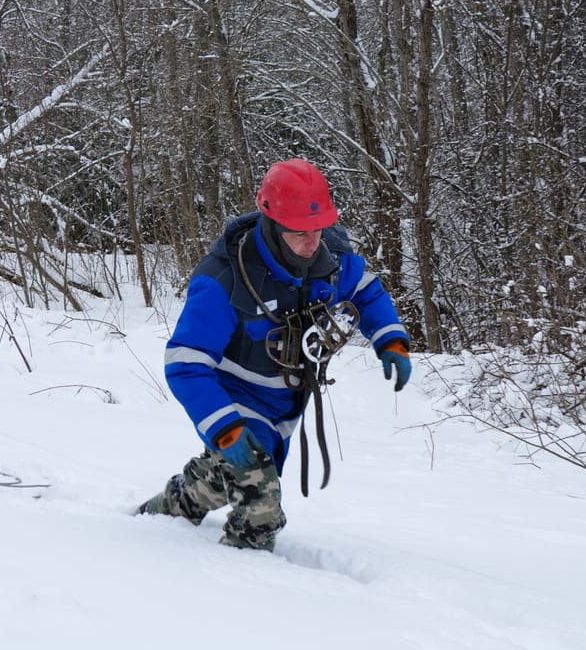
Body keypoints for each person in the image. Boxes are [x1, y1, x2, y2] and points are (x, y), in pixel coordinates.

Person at [136, 158, 413, 551]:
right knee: (259, 496)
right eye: (299, 233)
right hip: (235, 401)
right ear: (272, 223)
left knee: (232, 469)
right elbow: (186, 362)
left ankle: (174, 505)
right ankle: (245, 581)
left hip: (287, 402)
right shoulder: (224, 278)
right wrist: (224, 427)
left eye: (318, 230)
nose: (312, 243)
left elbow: (367, 292)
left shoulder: (330, 259)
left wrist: (391, 339)